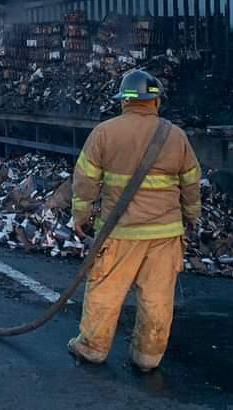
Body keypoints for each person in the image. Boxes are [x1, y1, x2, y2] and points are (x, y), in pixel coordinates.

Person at [67, 69, 202, 373]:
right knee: (157, 299)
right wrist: (192, 216)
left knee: (105, 292)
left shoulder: (105, 132)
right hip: (165, 235)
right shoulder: (175, 135)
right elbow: (191, 182)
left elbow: (85, 180)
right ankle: (147, 358)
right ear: (155, 101)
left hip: (120, 233)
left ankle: (92, 349)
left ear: (124, 101)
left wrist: (81, 216)